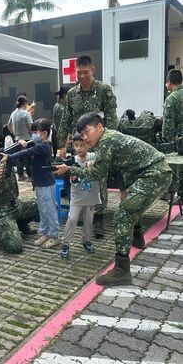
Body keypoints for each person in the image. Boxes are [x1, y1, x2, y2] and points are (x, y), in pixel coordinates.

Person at [55, 112, 172, 286]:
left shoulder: (106, 141)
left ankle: (122, 271)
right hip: (150, 173)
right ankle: (137, 237)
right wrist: (123, 189)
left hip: (154, 174)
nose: (85, 138)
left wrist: (70, 170)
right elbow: (117, 167)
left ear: (100, 127)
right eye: (82, 134)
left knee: (123, 214)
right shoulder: (108, 138)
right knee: (130, 204)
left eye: (87, 132)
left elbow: (97, 173)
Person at [58, 55, 118, 237]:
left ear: (93, 70)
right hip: (78, 145)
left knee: (99, 179)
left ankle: (98, 218)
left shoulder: (104, 90)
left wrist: (110, 143)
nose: (82, 76)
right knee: (77, 177)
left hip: (99, 144)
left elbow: (112, 120)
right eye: (79, 73)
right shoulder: (72, 94)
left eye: (85, 72)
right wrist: (61, 144)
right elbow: (65, 119)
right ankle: (82, 214)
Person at [1, 119, 60, 249]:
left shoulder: (45, 147)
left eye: (35, 132)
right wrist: (24, 144)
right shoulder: (40, 144)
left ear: (44, 134)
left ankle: (55, 236)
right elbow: (30, 146)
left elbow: (27, 152)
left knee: (49, 210)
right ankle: (45, 233)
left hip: (46, 184)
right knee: (43, 209)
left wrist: (9, 157)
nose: (33, 134)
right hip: (40, 183)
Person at [61, 133, 100, 259]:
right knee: (72, 219)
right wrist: (73, 176)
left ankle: (87, 241)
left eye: (82, 145)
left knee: (89, 221)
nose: (79, 148)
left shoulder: (94, 157)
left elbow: (100, 171)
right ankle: (65, 244)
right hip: (77, 197)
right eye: (76, 145)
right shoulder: (72, 161)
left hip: (91, 197)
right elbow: (74, 181)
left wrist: (91, 167)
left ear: (88, 145)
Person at [8, 94, 32, 181]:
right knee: (28, 158)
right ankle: (30, 176)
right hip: (27, 139)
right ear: (25, 103)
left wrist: (14, 133)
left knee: (19, 158)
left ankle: (21, 176)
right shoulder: (26, 114)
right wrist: (31, 135)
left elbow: (8, 125)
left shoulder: (13, 113)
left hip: (17, 139)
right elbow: (30, 128)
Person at [162, 69, 183, 143]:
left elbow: (168, 124)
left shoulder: (171, 98)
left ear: (169, 82)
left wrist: (165, 140)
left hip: (179, 143)